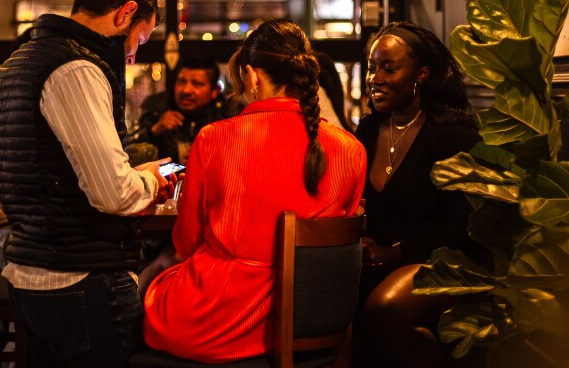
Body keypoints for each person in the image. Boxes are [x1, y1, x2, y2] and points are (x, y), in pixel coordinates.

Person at [142, 19, 366, 363]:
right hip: (313, 320)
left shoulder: (215, 138)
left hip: (217, 319)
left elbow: (187, 244)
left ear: (252, 76)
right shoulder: (351, 149)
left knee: (144, 295)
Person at [0, 0, 170, 367]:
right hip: (80, 280)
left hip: (30, 274)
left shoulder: (19, 61)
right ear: (126, 13)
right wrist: (151, 180)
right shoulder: (77, 69)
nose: (134, 54)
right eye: (139, 38)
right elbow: (113, 191)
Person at [355, 21, 484, 367]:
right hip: (382, 262)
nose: (375, 78)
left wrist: (394, 251)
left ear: (422, 74)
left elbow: (466, 225)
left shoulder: (450, 133)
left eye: (389, 67)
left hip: (445, 260)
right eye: (371, 67)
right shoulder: (369, 129)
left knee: (386, 307)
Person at [136, 56, 235, 165]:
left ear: (214, 91)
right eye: (181, 82)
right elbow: (131, 153)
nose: (186, 90)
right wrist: (154, 131)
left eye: (197, 84)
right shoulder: (156, 106)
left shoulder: (229, 113)